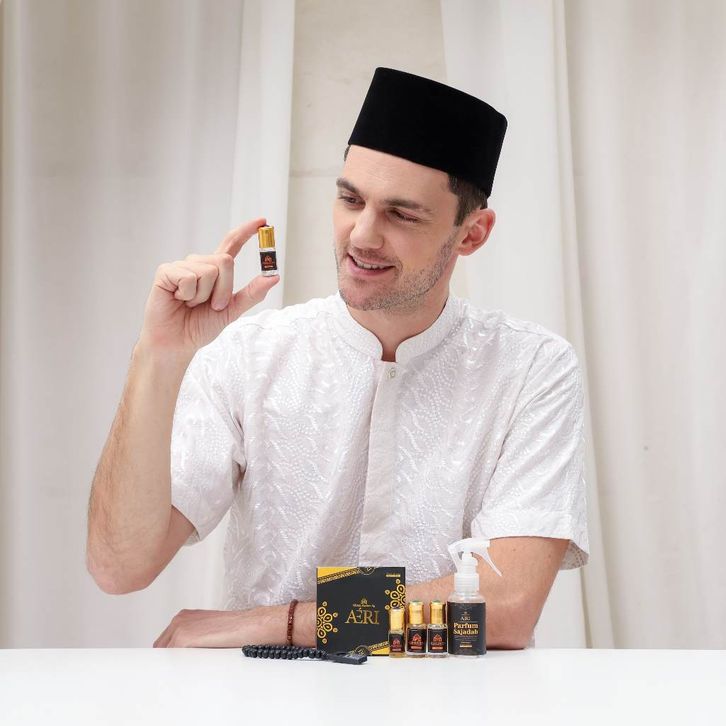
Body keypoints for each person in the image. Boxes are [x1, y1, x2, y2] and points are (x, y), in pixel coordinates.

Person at [87, 67, 588, 649]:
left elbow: (504, 608)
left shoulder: (531, 368)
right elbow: (119, 568)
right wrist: (157, 356)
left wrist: (278, 622)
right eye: (351, 199)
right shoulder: (251, 356)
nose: (362, 236)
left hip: (449, 695)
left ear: (471, 234)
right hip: (271, 696)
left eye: (402, 214)